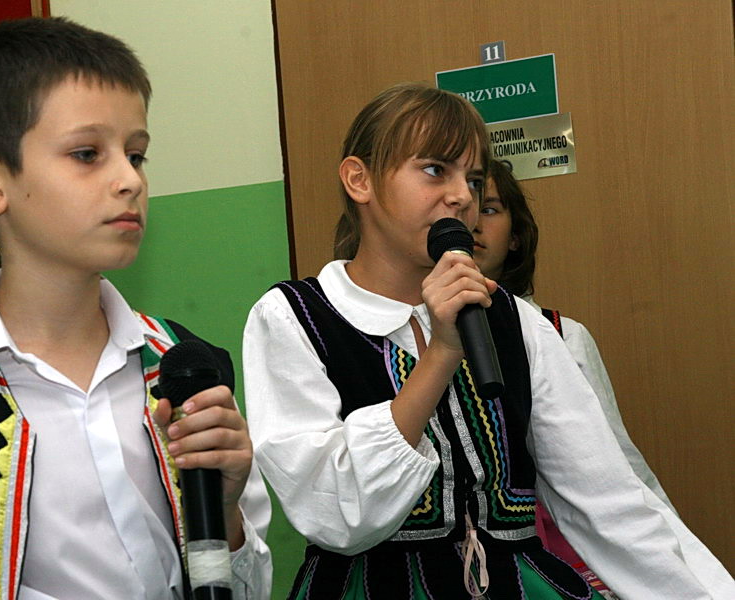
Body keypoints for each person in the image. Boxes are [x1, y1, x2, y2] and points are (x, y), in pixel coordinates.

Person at [0, 17, 271, 600]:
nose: (128, 181)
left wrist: (224, 516)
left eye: (136, 155)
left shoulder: (183, 365)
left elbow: (247, 587)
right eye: (88, 153)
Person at [243, 82, 718, 599]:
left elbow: (608, 503)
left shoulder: (515, 321)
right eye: (434, 170)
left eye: (471, 178)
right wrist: (443, 351)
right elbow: (335, 512)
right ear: (360, 180)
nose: (462, 196)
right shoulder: (294, 317)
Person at [473, 159, 735, 597]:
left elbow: (620, 473)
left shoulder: (559, 334)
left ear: (516, 236)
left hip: (564, 552)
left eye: (491, 209)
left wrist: (683, 567)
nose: (473, 222)